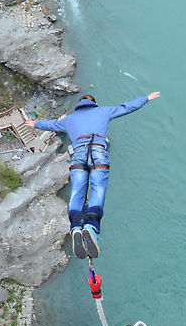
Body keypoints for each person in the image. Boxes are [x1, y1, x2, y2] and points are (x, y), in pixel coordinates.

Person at [25, 91, 161, 259]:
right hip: (98, 151)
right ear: (94, 104)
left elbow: (51, 124)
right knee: (97, 189)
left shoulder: (68, 120)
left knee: (77, 193)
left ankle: (75, 227)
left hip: (78, 156)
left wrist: (35, 123)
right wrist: (146, 99)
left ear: (78, 106)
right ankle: (90, 227)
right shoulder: (103, 111)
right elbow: (126, 107)